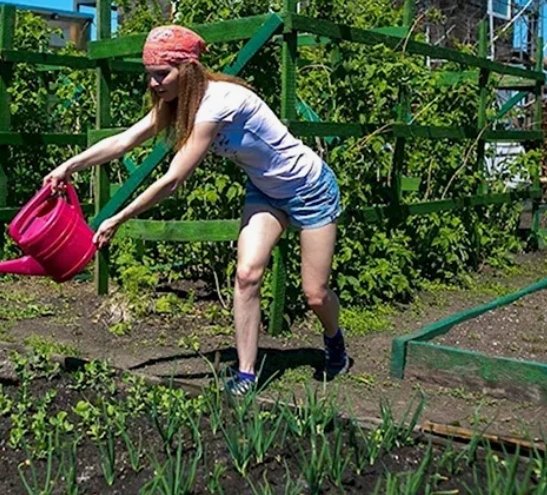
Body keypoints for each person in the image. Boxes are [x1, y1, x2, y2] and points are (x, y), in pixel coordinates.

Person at [44, 24, 353, 394]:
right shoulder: (180, 103)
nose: (154, 84)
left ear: (186, 70)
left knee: (314, 294)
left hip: (308, 188)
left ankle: (334, 341)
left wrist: (120, 217)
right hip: (265, 191)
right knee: (247, 275)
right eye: (150, 76)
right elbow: (125, 140)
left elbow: (173, 180)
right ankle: (246, 375)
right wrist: (68, 166)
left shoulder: (218, 103)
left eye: (162, 75)